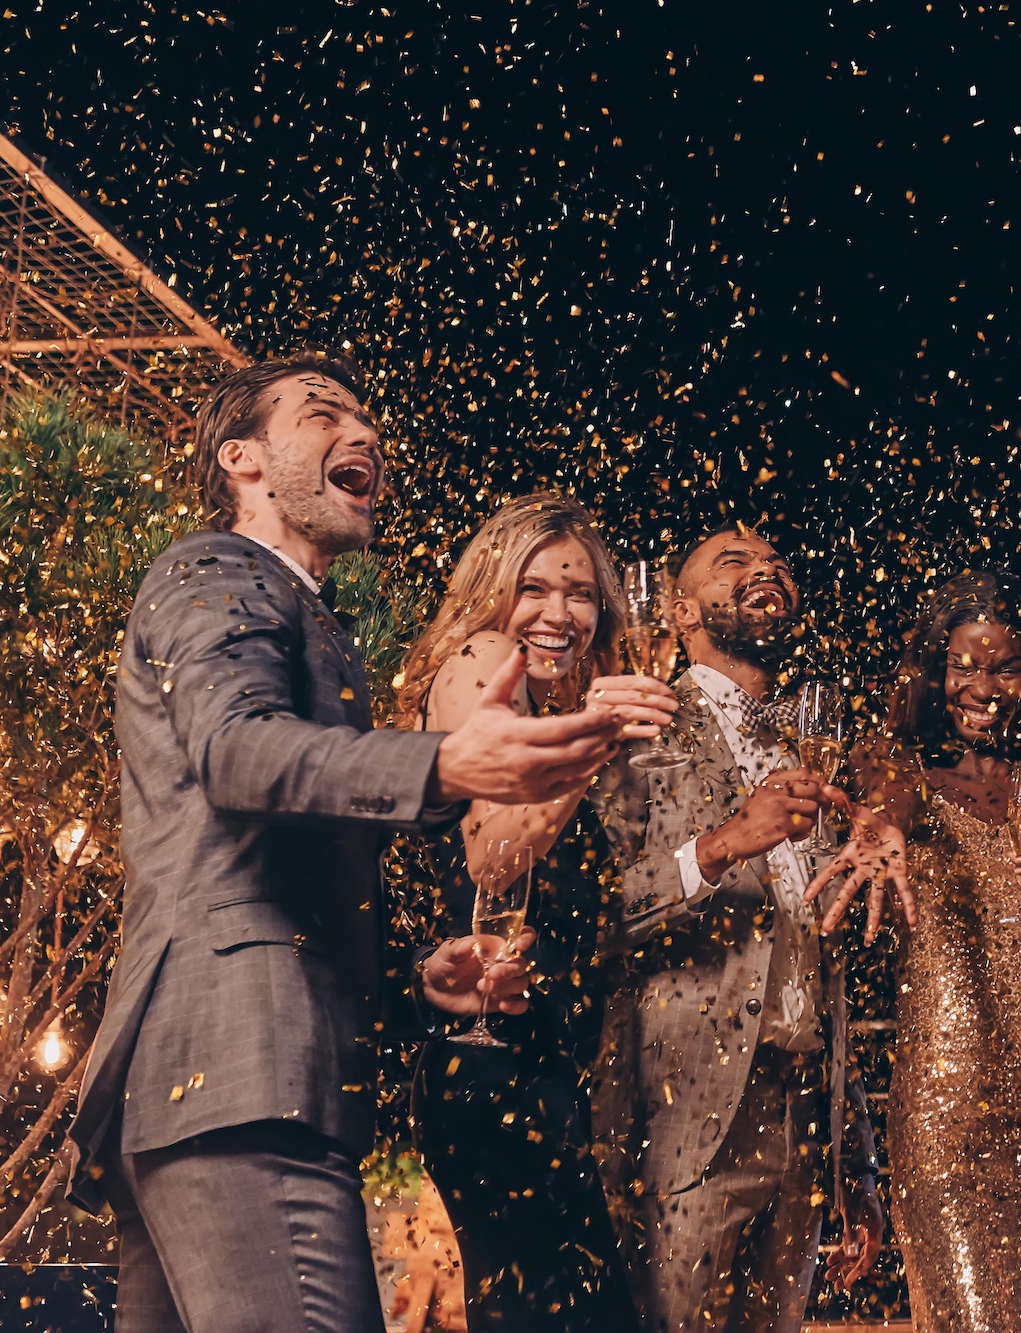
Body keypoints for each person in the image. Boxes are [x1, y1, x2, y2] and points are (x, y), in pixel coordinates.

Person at [66, 355, 672, 1333]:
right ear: (242, 460)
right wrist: (446, 766)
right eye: (321, 413)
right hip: (246, 1081)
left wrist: (417, 975)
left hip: (210, 1088)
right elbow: (236, 754)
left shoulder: (306, 615)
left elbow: (285, 868)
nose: (364, 431)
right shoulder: (215, 571)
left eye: (365, 415)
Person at [805, 569, 1021, 1331]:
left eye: (1005, 665)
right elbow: (892, 803)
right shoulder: (891, 763)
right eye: (963, 665)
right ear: (935, 671)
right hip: (946, 1118)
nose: (982, 684)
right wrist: (883, 825)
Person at [587, 523, 885, 1333]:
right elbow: (595, 914)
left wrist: (854, 1155)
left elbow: (822, 967)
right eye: (735, 563)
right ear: (680, 609)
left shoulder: (807, 752)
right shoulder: (642, 721)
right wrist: (721, 844)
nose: (766, 570)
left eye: (778, 564)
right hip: (683, 1119)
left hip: (801, 1124)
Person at [397, 493, 671, 1332]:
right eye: (537, 587)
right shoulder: (480, 661)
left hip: (538, 1058)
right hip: (489, 1066)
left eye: (581, 593)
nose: (561, 613)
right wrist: (596, 738)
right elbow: (495, 855)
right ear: (491, 589)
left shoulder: (544, 708)